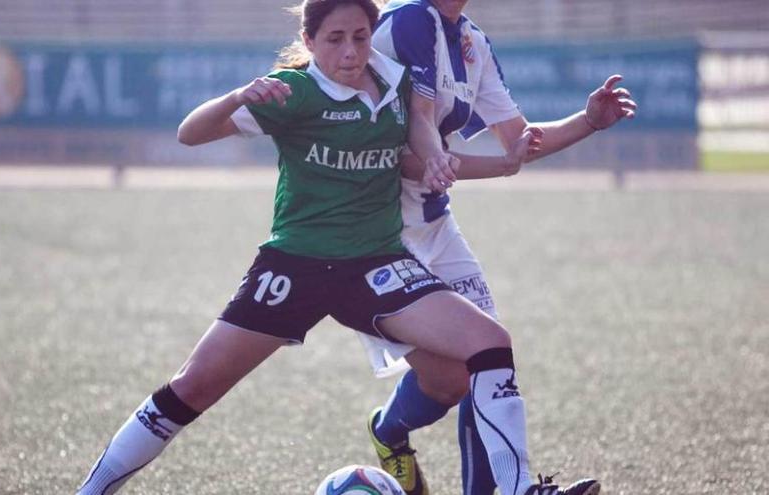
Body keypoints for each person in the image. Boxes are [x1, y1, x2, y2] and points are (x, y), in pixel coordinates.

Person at [76, 1, 596, 494]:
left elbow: (417, 125)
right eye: (335, 39)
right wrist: (237, 97)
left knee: (485, 348)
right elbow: (190, 133)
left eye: (360, 37)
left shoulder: (393, 82)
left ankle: (519, 486)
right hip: (295, 267)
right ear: (309, 40)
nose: (350, 51)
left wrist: (455, 158)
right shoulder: (293, 91)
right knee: (192, 388)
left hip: (376, 265)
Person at [360, 1, 637, 495]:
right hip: (378, 234)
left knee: (480, 360)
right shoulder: (410, 22)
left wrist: (587, 121)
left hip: (434, 223)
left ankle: (483, 481)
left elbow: (518, 139)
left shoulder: (471, 41)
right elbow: (414, 139)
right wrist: (484, 164)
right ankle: (395, 433)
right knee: (460, 372)